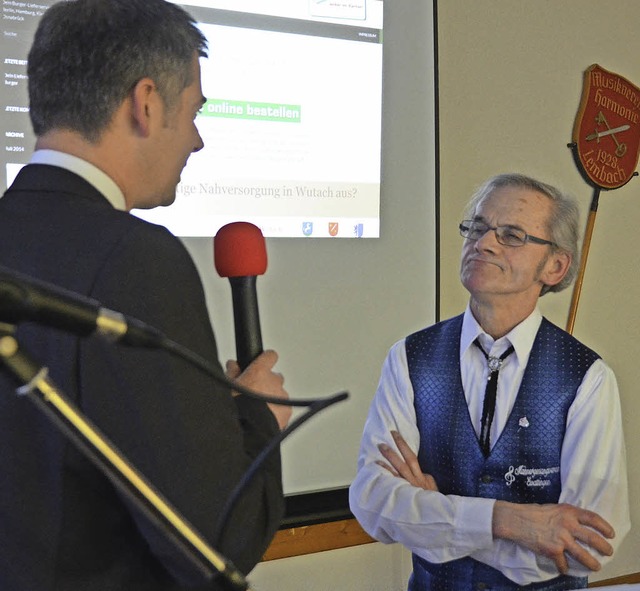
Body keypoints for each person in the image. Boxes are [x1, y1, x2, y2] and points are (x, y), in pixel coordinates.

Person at [0, 1, 291, 589]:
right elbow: (213, 543)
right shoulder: (135, 258)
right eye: (193, 113)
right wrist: (259, 420)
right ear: (148, 102)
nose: (198, 140)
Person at [349, 173, 629, 590]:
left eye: (512, 235)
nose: (483, 243)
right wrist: (513, 522)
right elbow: (373, 502)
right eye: (477, 228)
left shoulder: (586, 378)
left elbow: (583, 547)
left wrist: (434, 515)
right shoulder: (411, 359)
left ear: (554, 265)